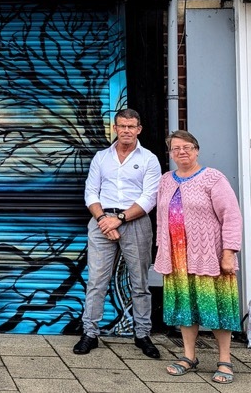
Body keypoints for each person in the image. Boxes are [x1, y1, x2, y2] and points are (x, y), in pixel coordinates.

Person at [73, 108, 162, 358]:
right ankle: (90, 333)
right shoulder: (101, 157)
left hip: (135, 222)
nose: (126, 130)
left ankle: (142, 334)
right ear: (115, 128)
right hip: (101, 222)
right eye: (122, 126)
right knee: (96, 281)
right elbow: (91, 192)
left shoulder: (149, 159)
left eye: (131, 126)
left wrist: (119, 220)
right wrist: (103, 220)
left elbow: (149, 197)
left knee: (140, 282)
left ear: (139, 129)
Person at [155, 130, 242, 384]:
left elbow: (231, 217)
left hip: (209, 257)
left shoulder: (213, 178)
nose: (182, 152)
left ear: (197, 149)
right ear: (171, 153)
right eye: (176, 148)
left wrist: (228, 253)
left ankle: (225, 360)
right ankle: (189, 356)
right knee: (185, 309)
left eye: (187, 147)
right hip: (177, 259)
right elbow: (162, 220)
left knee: (217, 307)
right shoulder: (165, 180)